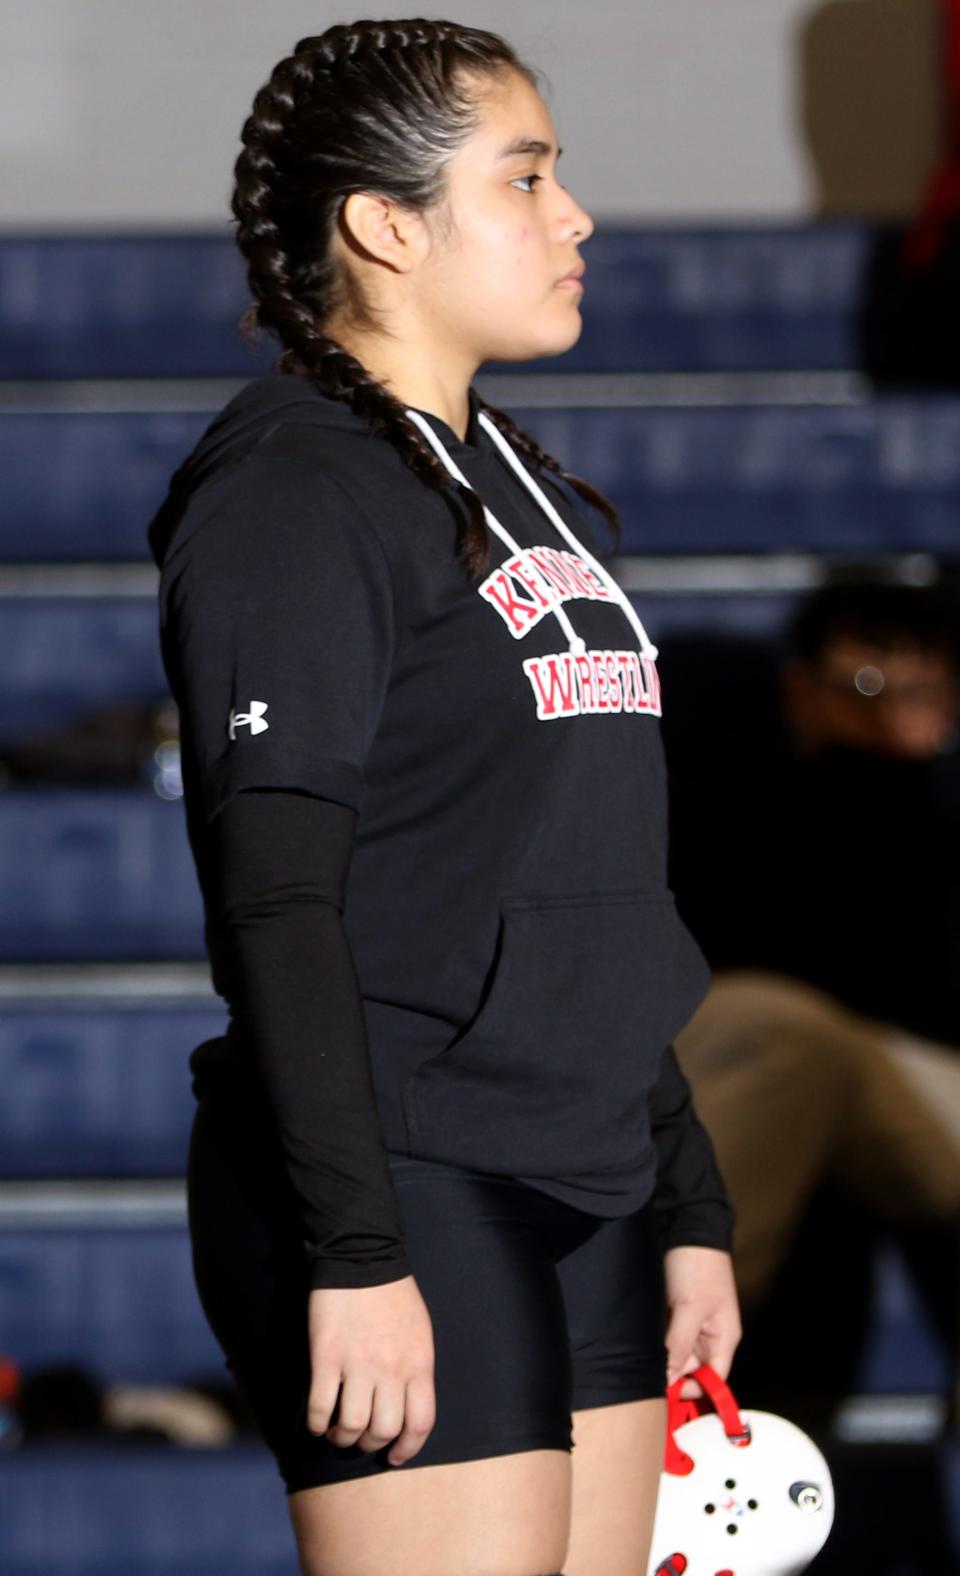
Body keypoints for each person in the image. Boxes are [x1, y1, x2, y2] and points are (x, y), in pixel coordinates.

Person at [148, 20, 739, 1576]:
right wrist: (356, 1244)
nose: (576, 216)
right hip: (405, 1177)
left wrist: (683, 1197)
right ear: (385, 224)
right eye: (527, 176)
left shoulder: (499, 472)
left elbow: (578, 869)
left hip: (588, 1163)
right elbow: (273, 896)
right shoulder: (292, 487)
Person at [664, 580, 960, 1415]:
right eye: (868, 686)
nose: (896, 712)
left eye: (923, 687)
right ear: (802, 687)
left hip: (923, 1087)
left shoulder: (943, 825)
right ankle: (657, 1365)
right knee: (783, 1043)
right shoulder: (737, 807)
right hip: (799, 1082)